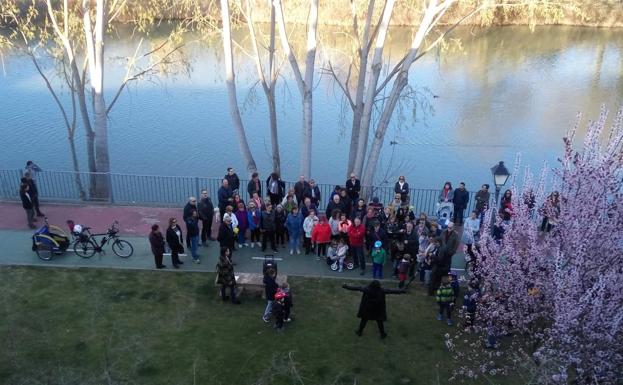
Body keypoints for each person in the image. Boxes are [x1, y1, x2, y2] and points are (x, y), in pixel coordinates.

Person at [429, 222, 459, 295]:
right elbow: (439, 239)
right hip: (440, 253)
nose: (449, 229)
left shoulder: (455, 235)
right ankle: (433, 289)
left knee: (444, 274)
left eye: (450, 228)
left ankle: (443, 289)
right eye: (448, 227)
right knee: (435, 273)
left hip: (447, 257)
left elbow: (455, 247)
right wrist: (434, 242)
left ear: (453, 227)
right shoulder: (443, 232)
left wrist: (450, 254)